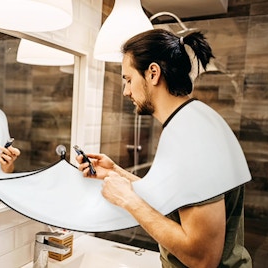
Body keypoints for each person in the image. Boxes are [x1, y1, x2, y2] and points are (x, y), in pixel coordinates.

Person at [76, 29, 252, 267]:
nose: (126, 91)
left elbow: (203, 258)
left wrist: (128, 199)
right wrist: (114, 172)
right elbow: (174, 200)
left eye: (128, 79)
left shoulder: (192, 135)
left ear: (153, 73)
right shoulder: (191, 120)